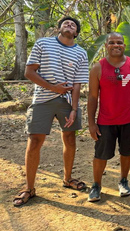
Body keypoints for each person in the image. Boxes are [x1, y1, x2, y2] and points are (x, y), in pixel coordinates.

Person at [13, 16, 89, 207]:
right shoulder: (43, 44)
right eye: (65, 23)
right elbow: (29, 72)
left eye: (73, 24)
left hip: (67, 102)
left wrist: (74, 109)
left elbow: (78, 83)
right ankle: (29, 188)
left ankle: (68, 179)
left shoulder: (81, 53)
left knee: (69, 139)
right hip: (42, 100)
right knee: (35, 141)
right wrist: (53, 87)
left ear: (76, 32)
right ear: (59, 29)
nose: (69, 25)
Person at [87, 32, 130, 202]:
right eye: (112, 42)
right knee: (100, 154)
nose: (116, 45)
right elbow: (92, 97)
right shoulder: (98, 68)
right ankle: (96, 185)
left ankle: (123, 181)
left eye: (119, 42)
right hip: (106, 121)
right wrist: (91, 123)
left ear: (124, 45)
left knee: (127, 152)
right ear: (106, 46)